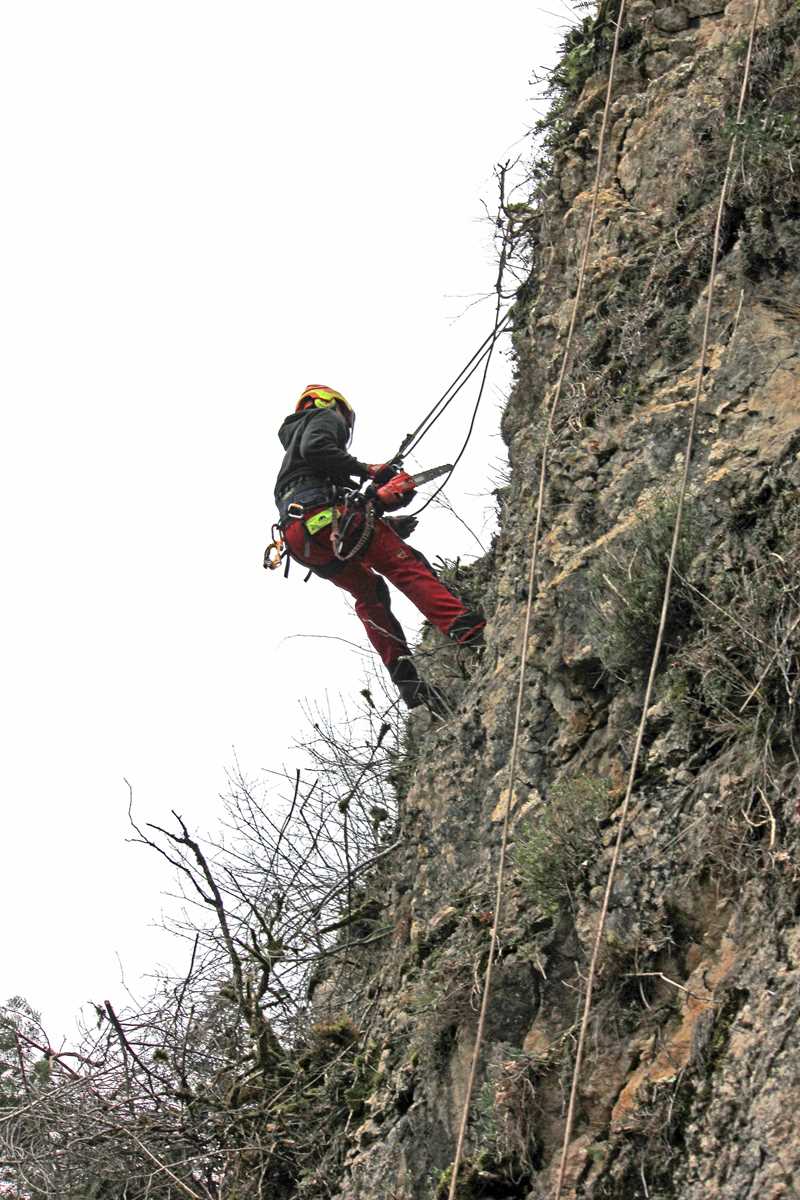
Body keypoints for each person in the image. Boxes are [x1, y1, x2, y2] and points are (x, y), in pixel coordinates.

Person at [274, 384, 485, 713]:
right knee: (405, 564)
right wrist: (370, 470)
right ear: (334, 406)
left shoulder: (294, 460)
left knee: (371, 595)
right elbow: (319, 449)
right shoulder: (324, 418)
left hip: (302, 538)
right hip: (326, 517)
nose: (344, 422)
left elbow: (332, 496)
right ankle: (468, 630)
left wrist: (381, 514)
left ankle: (409, 684)